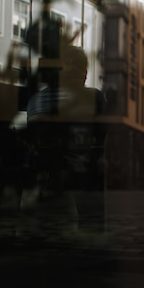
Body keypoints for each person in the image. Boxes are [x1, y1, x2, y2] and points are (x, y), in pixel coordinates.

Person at [26, 45, 106, 233]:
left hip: (43, 182)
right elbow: (103, 139)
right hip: (80, 181)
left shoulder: (36, 100)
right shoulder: (93, 98)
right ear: (84, 74)